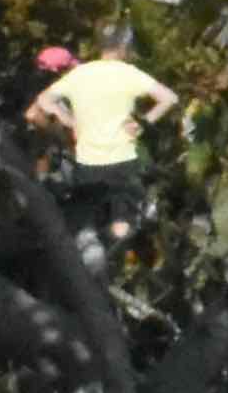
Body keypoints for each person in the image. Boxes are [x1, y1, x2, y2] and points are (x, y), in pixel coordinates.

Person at [24, 29, 177, 255]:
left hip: (80, 159)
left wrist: (68, 124)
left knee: (83, 212)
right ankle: (96, 249)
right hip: (102, 159)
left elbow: (38, 109)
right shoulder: (119, 74)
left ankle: (62, 243)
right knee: (119, 218)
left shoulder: (74, 80)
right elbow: (170, 98)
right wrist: (142, 123)